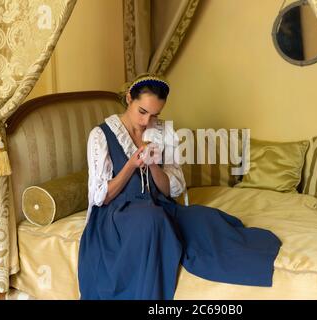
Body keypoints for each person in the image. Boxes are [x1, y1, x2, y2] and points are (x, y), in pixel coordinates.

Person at [78, 73, 282, 300]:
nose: (147, 121)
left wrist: (154, 165)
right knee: (152, 220)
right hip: (117, 213)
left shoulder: (162, 132)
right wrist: (131, 165)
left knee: (203, 219)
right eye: (142, 112)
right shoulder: (101, 135)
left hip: (158, 204)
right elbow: (102, 197)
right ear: (129, 98)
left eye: (155, 114)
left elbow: (170, 191)